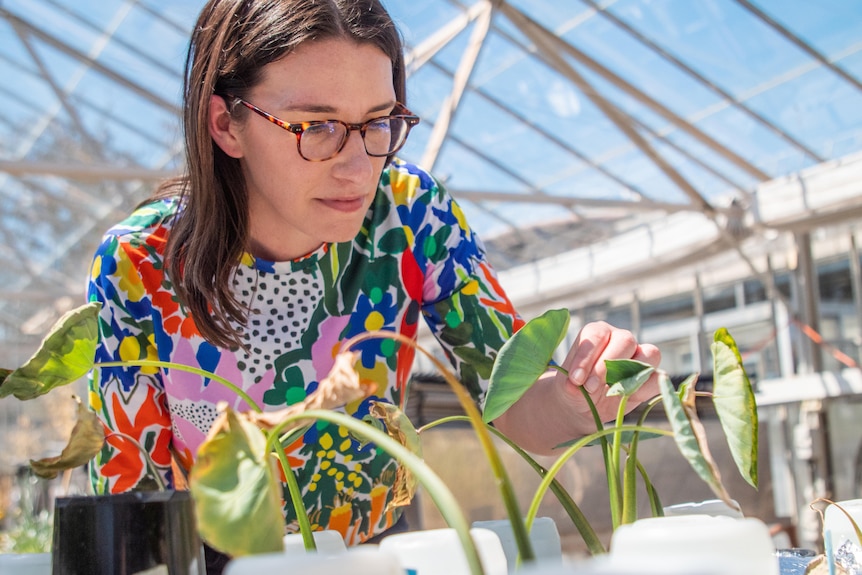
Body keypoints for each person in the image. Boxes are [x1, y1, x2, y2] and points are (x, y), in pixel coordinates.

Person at [87, 0, 660, 564]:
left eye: (378, 122)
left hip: (381, 552)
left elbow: (507, 400)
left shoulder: (411, 214)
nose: (359, 167)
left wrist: (574, 402)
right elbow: (129, 506)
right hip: (219, 561)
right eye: (317, 127)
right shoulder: (138, 264)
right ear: (225, 125)